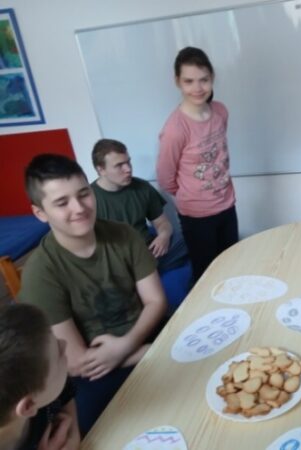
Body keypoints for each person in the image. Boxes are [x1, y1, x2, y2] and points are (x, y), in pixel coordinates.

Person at [18, 154, 167, 435]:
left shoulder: (124, 234)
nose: (79, 208)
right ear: (40, 213)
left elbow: (156, 301)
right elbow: (77, 363)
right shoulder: (40, 271)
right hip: (98, 372)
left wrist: (126, 345)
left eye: (83, 194)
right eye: (62, 202)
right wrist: (147, 353)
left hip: (146, 339)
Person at [157, 46, 238, 283]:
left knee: (232, 265)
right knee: (206, 275)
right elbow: (165, 178)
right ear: (178, 82)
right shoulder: (175, 129)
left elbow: (217, 153)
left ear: (212, 78)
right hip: (196, 215)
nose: (198, 88)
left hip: (227, 204)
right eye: (189, 81)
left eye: (203, 80)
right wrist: (192, 195)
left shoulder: (220, 111)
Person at [91, 138, 188, 273]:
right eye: (119, 165)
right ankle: (146, 273)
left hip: (149, 249)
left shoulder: (142, 187)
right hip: (119, 259)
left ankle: (147, 272)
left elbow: (162, 223)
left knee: (188, 238)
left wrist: (163, 236)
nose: (128, 169)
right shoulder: (88, 200)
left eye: (128, 162)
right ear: (101, 170)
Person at [0, 303, 80, 450]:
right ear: (28, 406)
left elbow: (64, 391)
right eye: (59, 353)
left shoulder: (40, 388)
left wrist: (73, 433)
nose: (64, 343)